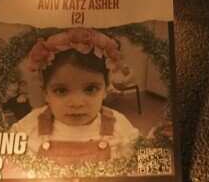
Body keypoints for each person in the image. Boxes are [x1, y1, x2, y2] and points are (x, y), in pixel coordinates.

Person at [10, 29, 140, 165]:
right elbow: (6, 149)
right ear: (45, 93)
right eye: (61, 91)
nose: (77, 103)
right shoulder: (31, 125)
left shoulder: (118, 125)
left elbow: (140, 157)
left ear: (105, 90)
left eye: (90, 89)